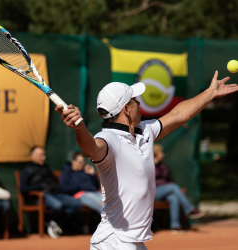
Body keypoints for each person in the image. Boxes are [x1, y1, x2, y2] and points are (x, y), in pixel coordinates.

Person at [55, 71, 238, 249]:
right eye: (135, 100)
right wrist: (80, 129)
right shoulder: (109, 139)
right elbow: (92, 149)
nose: (139, 103)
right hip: (115, 241)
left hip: (133, 242)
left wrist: (210, 93)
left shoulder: (145, 130)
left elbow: (178, 115)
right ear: (126, 110)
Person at [20, 146, 82, 239]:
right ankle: (53, 224)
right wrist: (38, 188)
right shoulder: (27, 170)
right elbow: (23, 189)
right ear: (32, 156)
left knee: (76, 204)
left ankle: (55, 223)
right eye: (41, 155)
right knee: (57, 206)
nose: (43, 158)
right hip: (42, 196)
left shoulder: (46, 167)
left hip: (57, 193)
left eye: (44, 155)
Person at [153, 143, 205, 233]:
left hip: (164, 191)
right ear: (155, 153)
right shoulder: (148, 165)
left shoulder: (163, 166)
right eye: (161, 152)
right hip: (152, 193)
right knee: (173, 187)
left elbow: (169, 179)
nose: (163, 154)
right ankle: (189, 209)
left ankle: (175, 226)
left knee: (174, 197)